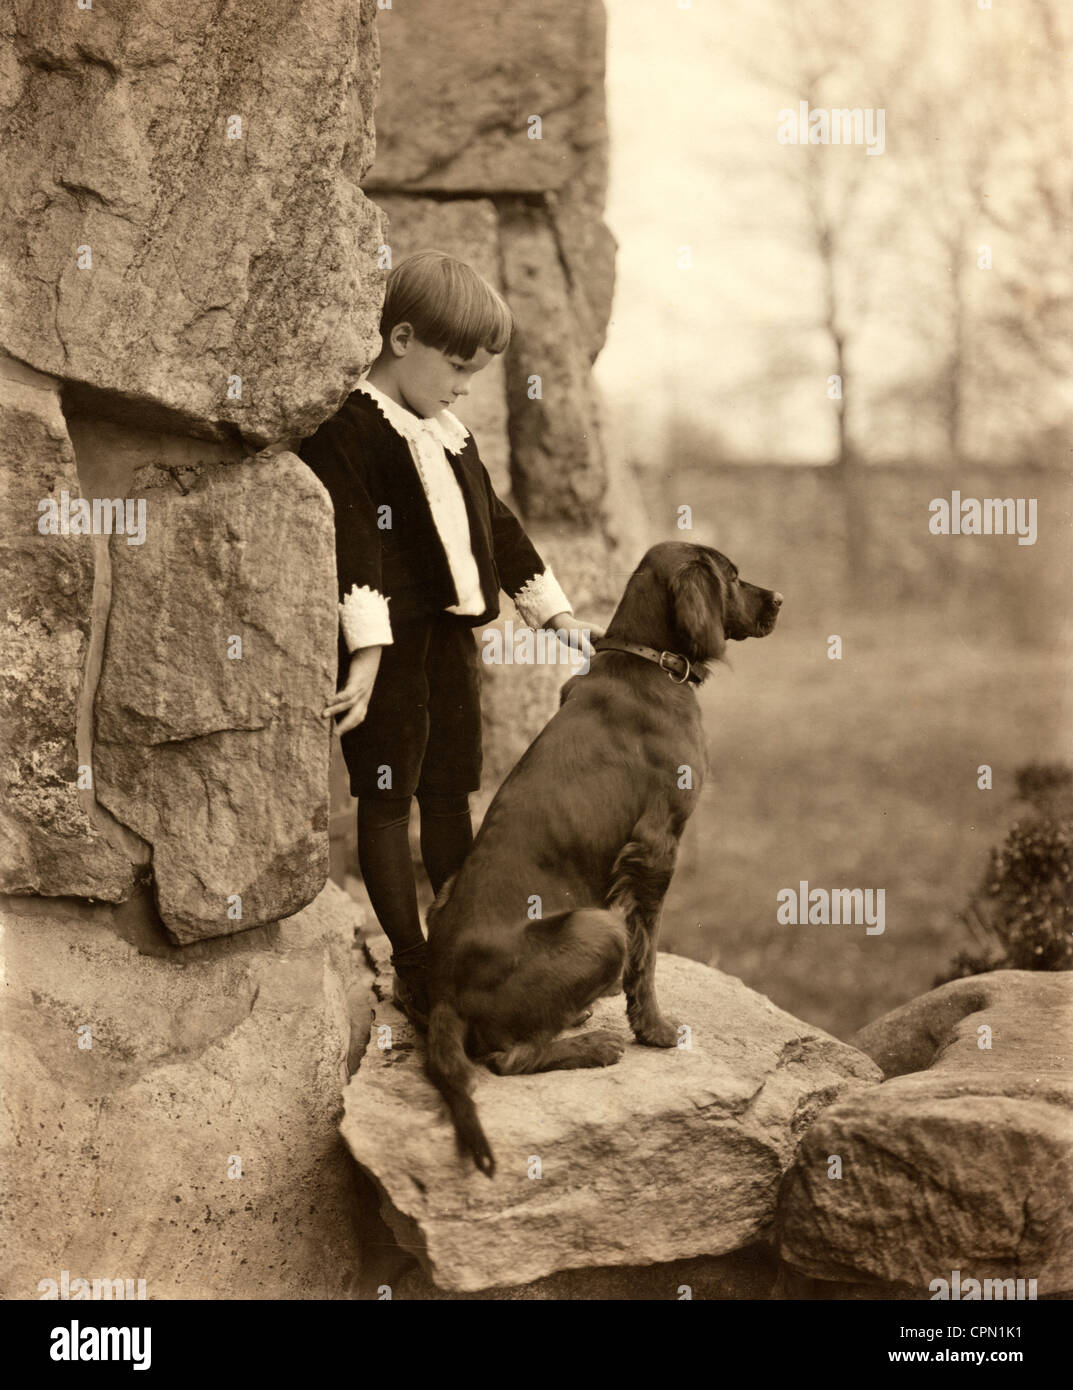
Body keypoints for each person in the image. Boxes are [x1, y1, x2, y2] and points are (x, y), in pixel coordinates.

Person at [299, 250, 601, 1026]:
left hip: (452, 648)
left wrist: (554, 615)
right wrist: (364, 653)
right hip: (390, 650)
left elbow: (496, 527)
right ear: (401, 339)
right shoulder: (352, 425)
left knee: (448, 796)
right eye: (457, 366)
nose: (464, 386)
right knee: (385, 796)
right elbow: (352, 539)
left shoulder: (450, 432)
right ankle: (411, 958)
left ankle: (467, 945)